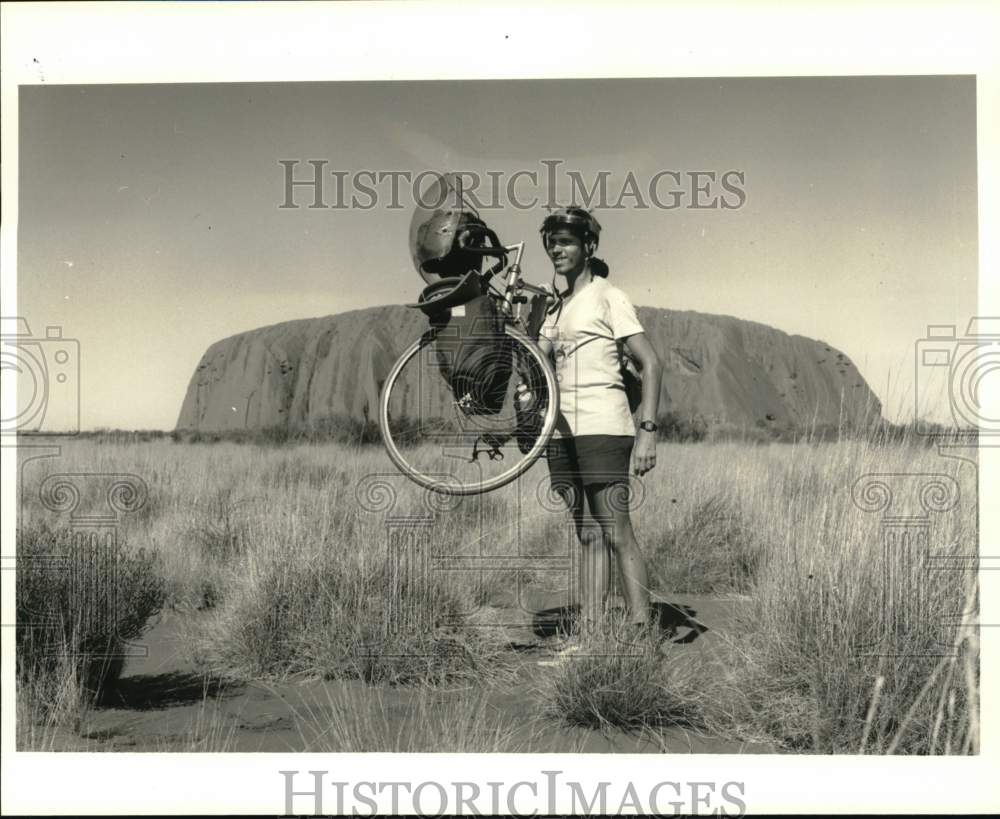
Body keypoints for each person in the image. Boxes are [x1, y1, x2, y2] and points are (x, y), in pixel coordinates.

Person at [536, 207, 663, 636]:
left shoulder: (609, 296)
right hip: (562, 431)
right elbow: (538, 364)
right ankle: (591, 634)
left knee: (616, 531)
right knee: (587, 533)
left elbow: (651, 362)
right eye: (552, 241)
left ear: (588, 246)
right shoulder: (555, 308)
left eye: (566, 241)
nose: (557, 248)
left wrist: (647, 432)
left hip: (603, 427)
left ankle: (641, 633)